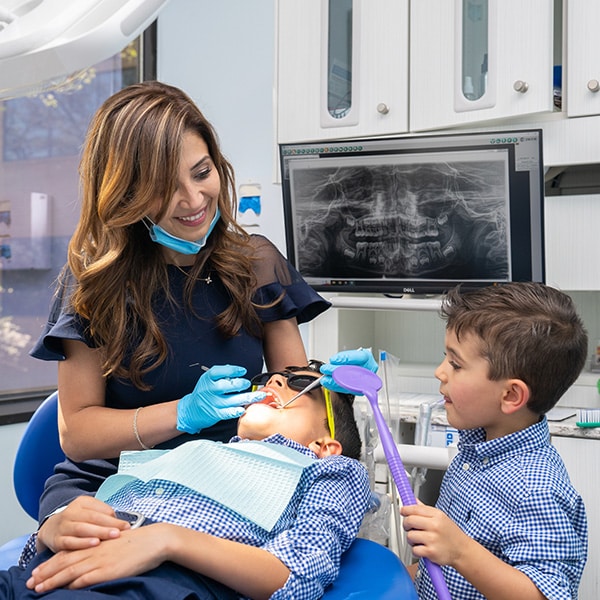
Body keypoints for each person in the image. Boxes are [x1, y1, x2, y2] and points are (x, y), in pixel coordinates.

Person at [27, 81, 376, 522]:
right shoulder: (94, 284)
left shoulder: (255, 263)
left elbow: (292, 386)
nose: (193, 201)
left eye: (201, 172)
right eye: (163, 187)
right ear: (124, 193)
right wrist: (183, 414)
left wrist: (330, 384)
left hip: (228, 481)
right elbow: (76, 433)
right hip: (111, 487)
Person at [3, 361, 371, 600]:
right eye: (271, 378)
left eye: (297, 383)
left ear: (326, 444)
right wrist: (52, 528)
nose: (274, 379)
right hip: (45, 570)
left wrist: (168, 540)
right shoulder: (194, 454)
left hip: (158, 585)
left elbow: (299, 576)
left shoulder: (328, 469)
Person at [400, 282, 588, 600]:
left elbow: (545, 595)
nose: (439, 372)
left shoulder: (536, 489)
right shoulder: (474, 453)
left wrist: (459, 550)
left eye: (456, 364)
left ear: (511, 395)